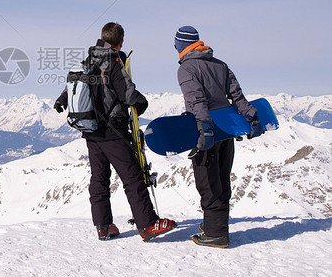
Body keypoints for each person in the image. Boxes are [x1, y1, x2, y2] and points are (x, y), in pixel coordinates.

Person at [55, 22, 177, 241]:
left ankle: (103, 226)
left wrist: (62, 100)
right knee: (132, 176)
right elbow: (127, 94)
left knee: (99, 178)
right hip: (112, 130)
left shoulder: (88, 59)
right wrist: (142, 103)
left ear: (102, 38)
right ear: (120, 41)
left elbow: (72, 85)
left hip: (91, 129)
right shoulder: (112, 62)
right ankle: (148, 224)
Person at [174, 25, 264, 248]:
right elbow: (238, 97)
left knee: (208, 182)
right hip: (227, 130)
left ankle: (216, 234)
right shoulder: (220, 64)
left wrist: (205, 129)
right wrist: (252, 117)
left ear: (181, 45)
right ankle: (214, 224)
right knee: (222, 179)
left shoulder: (187, 69)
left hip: (207, 132)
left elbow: (196, 101)